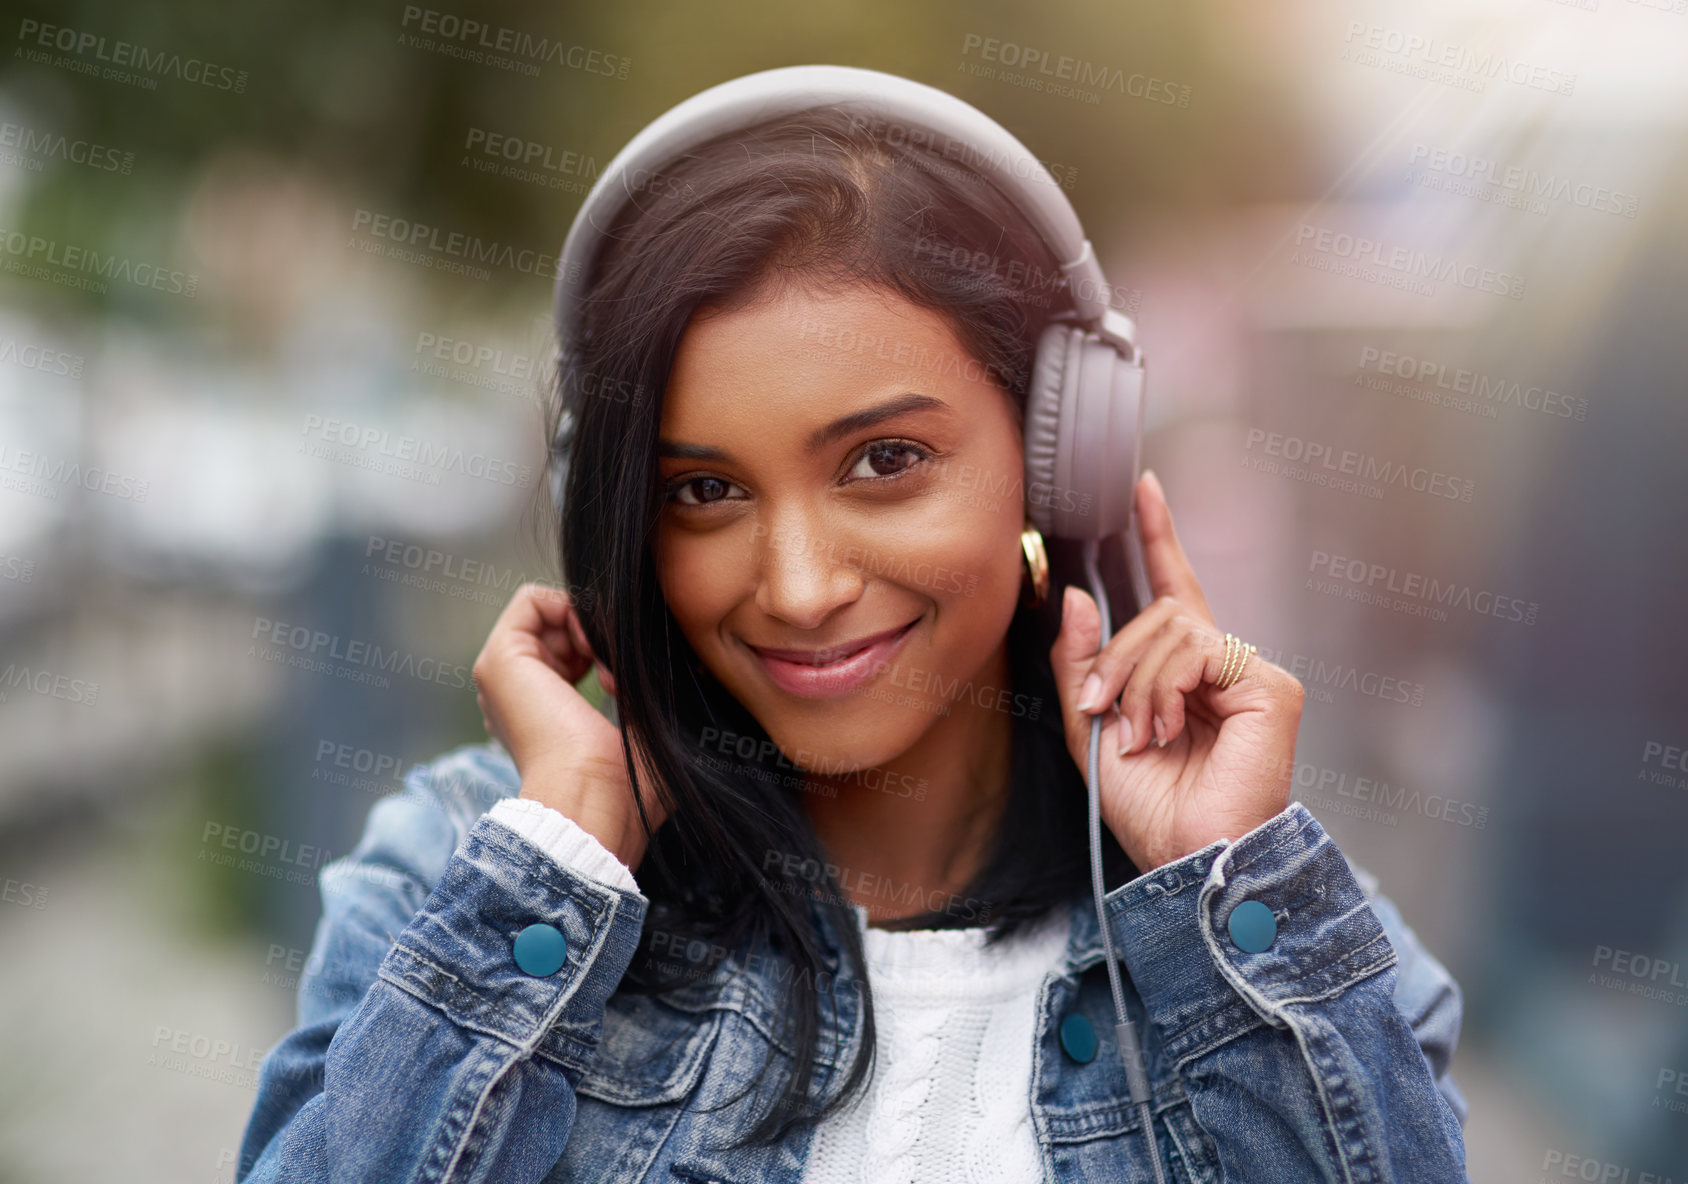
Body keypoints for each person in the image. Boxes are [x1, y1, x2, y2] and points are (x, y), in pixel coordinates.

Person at [237, 76, 1471, 1184]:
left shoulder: (1286, 943)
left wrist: (1220, 892)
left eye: (884, 459)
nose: (799, 585)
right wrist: (563, 847)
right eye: (702, 489)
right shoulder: (450, 874)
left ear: (1061, 462)